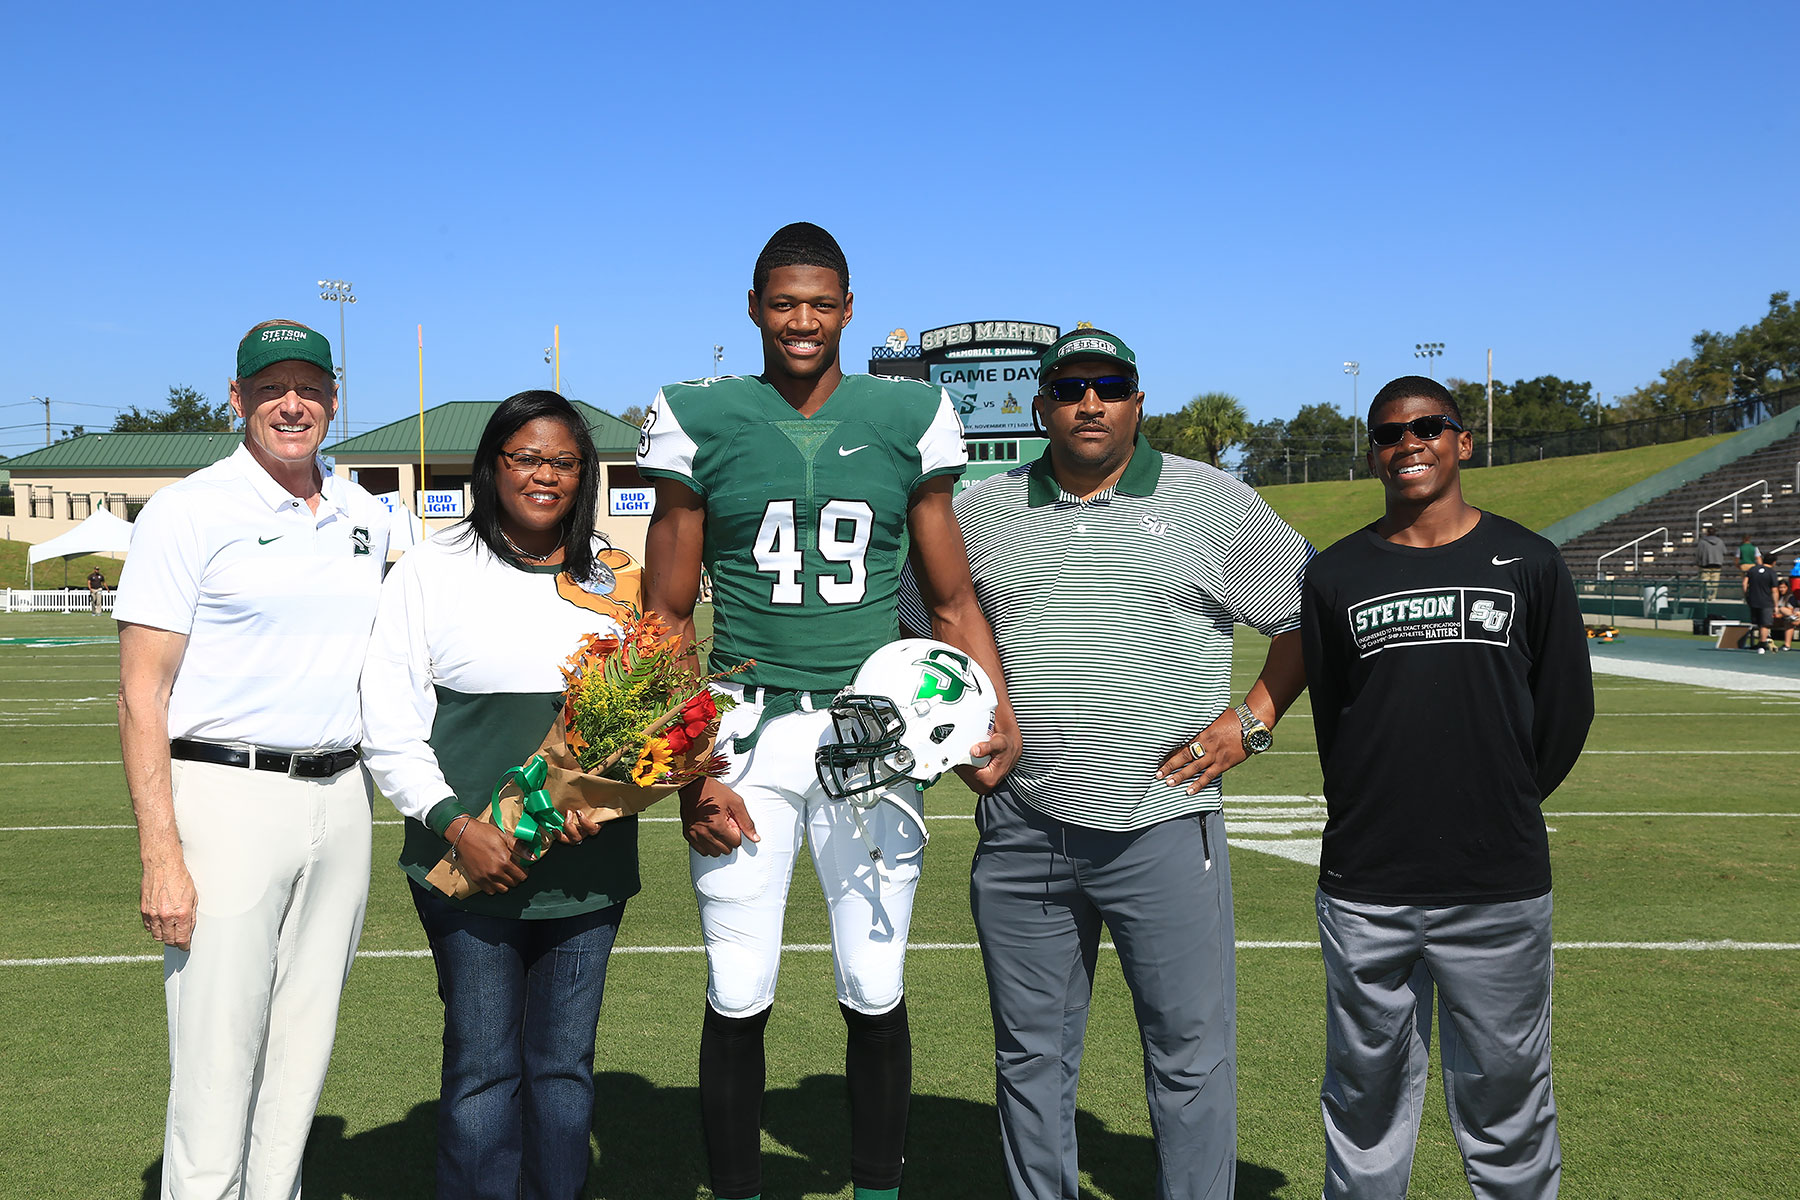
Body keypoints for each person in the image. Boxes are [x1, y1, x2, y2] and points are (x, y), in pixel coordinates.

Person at [636, 222, 1018, 1200]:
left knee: (874, 985)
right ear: (756, 308)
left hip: (873, 732)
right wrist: (687, 769)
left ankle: (879, 1190)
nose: (802, 321)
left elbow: (953, 601)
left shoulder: (907, 415)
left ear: (848, 310)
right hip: (742, 728)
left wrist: (994, 706)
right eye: (783, 302)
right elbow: (665, 614)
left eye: (820, 303)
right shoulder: (698, 417)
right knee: (738, 987)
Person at [903, 328, 1313, 1200]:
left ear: (1138, 400)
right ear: (1041, 403)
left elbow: (1310, 609)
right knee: (1031, 1056)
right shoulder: (982, 510)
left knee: (1190, 1055)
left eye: (1110, 384)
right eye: (1070, 386)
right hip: (1022, 829)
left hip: (1161, 822)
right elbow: (925, 625)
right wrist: (959, 735)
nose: (1090, 401)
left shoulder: (1211, 502)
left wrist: (1252, 721)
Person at [115, 319, 390, 1200]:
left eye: (309, 386)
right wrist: (161, 852)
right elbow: (141, 693)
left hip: (342, 798)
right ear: (237, 401)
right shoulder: (188, 510)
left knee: (302, 1049)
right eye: (271, 389)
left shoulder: (366, 513)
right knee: (215, 1055)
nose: (292, 404)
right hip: (225, 797)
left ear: (334, 401)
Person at [1300, 375, 1594, 1200]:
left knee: (1509, 1102)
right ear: (1373, 454)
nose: (1410, 444)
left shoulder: (1531, 561)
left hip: (1496, 883)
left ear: (1464, 441)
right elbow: (1337, 717)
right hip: (1368, 886)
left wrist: (1495, 799)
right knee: (1364, 1104)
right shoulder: (1334, 575)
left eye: (1428, 427)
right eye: (1390, 434)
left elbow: (1565, 715)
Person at [361, 391, 639, 1199]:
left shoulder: (613, 576)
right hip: (468, 868)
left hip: (586, 871)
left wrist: (607, 799)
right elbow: (389, 723)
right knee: (483, 1070)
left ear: (584, 474)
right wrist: (456, 827)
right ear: (492, 466)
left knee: (563, 1073)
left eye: (563, 461)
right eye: (526, 457)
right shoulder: (431, 570)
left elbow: (643, 727)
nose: (544, 475)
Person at [1744, 552, 1780, 651]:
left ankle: (1760, 641)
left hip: (1753, 599)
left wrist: (1746, 595)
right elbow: (1774, 590)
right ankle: (1763, 642)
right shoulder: (1771, 573)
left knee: (1758, 623)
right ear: (1774, 562)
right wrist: (1776, 605)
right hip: (1766, 601)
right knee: (1765, 623)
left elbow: (1745, 583)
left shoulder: (1753, 570)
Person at [1694, 526, 1725, 600]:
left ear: (1707, 533)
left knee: (1705, 581)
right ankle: (1712, 596)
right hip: (1717, 564)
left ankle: (1706, 595)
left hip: (1705, 564)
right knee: (1715, 581)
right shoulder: (1720, 542)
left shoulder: (1702, 542)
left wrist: (1698, 562)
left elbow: (1699, 553)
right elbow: (1724, 551)